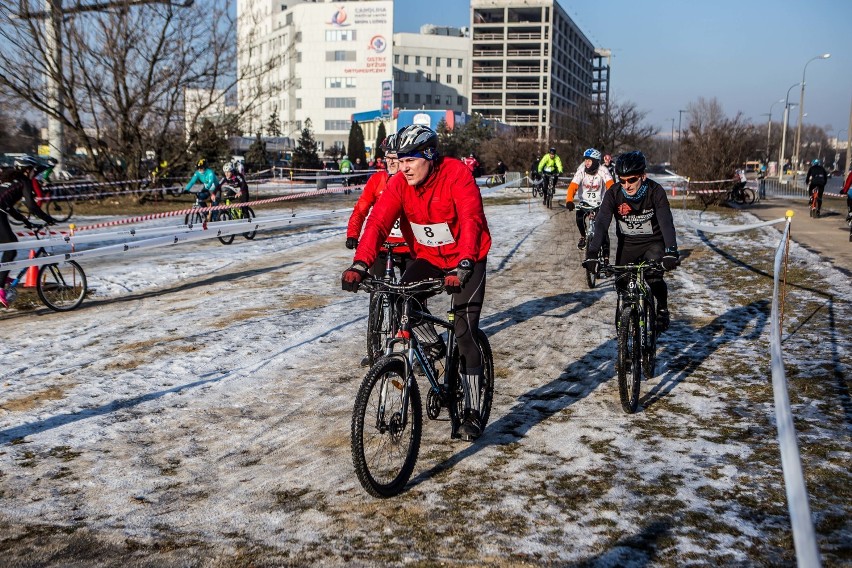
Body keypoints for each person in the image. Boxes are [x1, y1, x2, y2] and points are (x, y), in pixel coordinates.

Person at [341, 124, 492, 441]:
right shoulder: (399, 185)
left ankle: (473, 412)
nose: (403, 166)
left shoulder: (455, 174)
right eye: (400, 159)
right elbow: (378, 222)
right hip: (431, 259)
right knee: (399, 298)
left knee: (464, 334)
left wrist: (464, 262)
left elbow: (470, 218)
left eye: (410, 159)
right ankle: (433, 345)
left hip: (468, 259)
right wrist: (361, 262)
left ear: (428, 156)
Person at [582, 151, 679, 333]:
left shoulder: (655, 192)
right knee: (621, 283)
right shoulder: (614, 193)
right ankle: (626, 333)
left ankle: (662, 308)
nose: (627, 185)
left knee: (653, 277)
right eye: (622, 180)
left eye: (632, 180)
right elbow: (602, 223)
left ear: (643, 176)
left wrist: (671, 251)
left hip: (653, 243)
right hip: (628, 245)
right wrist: (592, 254)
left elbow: (666, 222)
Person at [345, 134, 412, 366]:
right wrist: (353, 234)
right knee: (377, 292)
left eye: (395, 158)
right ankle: (376, 349)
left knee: (412, 294)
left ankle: (418, 344)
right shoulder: (377, 181)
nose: (391, 163)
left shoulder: (410, 181)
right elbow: (361, 208)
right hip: (383, 247)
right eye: (387, 158)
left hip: (409, 247)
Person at [0, 156, 59, 308]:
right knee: (11, 248)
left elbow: (9, 207)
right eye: (33, 170)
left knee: (7, 247)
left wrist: (26, 222)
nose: (34, 173)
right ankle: (0, 288)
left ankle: (1, 276)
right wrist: (47, 218)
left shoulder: (8, 179)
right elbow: (31, 206)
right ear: (27, 170)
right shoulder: (24, 181)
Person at [565, 148, 614, 253]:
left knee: (602, 228)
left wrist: (612, 200)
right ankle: (583, 236)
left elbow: (611, 185)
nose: (586, 162)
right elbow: (573, 186)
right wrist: (569, 200)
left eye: (589, 160)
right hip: (585, 202)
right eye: (585, 160)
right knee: (579, 217)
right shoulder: (581, 170)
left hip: (600, 203)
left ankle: (605, 257)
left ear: (596, 161)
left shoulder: (603, 170)